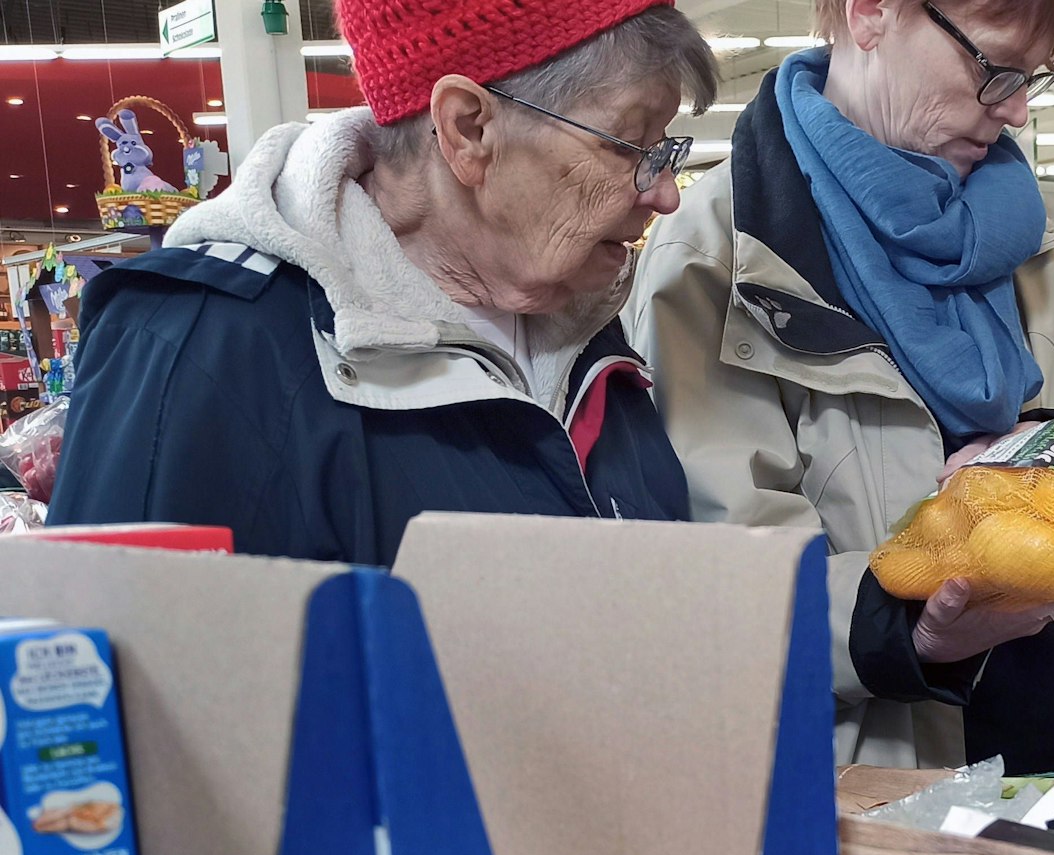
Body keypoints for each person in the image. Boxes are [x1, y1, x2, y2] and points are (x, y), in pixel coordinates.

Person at [624, 0, 1054, 772]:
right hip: (886, 782)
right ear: (871, 13)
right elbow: (718, 581)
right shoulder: (720, 257)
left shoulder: (1037, 242)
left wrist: (1047, 453)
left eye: (1031, 79)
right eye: (994, 69)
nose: (1015, 109)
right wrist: (907, 625)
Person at [48, 0, 716, 564]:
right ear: (468, 128)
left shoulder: (588, 331)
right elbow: (120, 663)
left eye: (667, 150)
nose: (665, 195)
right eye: (631, 146)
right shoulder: (197, 346)